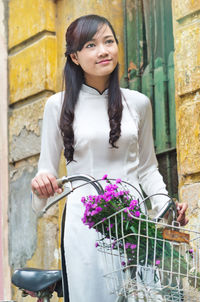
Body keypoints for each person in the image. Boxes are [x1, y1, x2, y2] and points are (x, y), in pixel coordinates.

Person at [31, 14, 188, 302]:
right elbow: (46, 175)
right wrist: (41, 184)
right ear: (75, 57)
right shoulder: (57, 105)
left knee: (143, 295)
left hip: (133, 219)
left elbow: (148, 168)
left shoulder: (138, 103)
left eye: (109, 41)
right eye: (90, 45)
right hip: (84, 220)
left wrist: (166, 206)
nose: (103, 51)